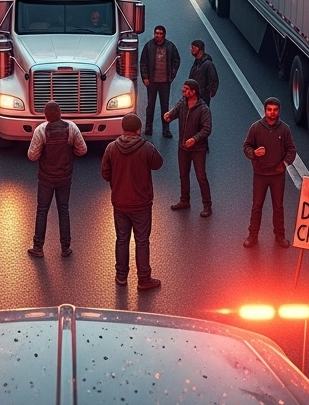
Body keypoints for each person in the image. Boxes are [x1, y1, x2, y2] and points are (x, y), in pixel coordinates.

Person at [101, 113, 164, 290]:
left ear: (123, 129)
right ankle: (144, 279)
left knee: (122, 239)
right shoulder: (147, 148)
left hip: (119, 202)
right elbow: (158, 164)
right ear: (138, 129)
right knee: (142, 241)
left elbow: (105, 173)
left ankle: (121, 276)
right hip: (141, 203)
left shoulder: (111, 148)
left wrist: (117, 183)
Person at [27, 100, 87, 258]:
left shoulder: (41, 130)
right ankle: (65, 248)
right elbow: (82, 149)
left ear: (45, 115)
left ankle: (38, 247)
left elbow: (32, 156)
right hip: (65, 177)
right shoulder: (71, 127)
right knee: (64, 210)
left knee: (42, 211)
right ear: (60, 113)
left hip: (45, 178)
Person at [242, 97, 297, 248]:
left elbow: (291, 150)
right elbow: (246, 146)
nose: (272, 113)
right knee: (257, 206)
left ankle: (280, 236)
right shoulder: (256, 128)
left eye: (275, 110)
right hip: (260, 174)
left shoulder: (284, 129)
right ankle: (252, 236)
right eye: (269, 110)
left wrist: (284, 163)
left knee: (278, 207)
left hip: (278, 176)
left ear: (279, 111)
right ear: (265, 110)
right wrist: (253, 153)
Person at [164, 79, 212, 217]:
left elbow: (207, 129)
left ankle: (207, 205)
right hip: (183, 147)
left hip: (198, 149)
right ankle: (184, 200)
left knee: (201, 176)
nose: (183, 91)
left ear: (193, 92)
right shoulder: (183, 104)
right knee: (183, 175)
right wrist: (168, 116)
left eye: (186, 89)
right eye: (183, 89)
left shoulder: (203, 109)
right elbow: (173, 114)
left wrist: (194, 139)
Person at [139, 25, 180, 137]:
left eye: (160, 33)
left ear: (164, 35)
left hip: (165, 82)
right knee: (150, 106)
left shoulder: (170, 46)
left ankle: (166, 130)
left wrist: (172, 75)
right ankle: (148, 128)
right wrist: (145, 77)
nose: (158, 35)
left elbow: (176, 60)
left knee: (165, 106)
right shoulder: (149, 46)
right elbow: (143, 63)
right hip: (152, 82)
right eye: (156, 33)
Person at [187, 40, 219, 106]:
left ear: (200, 50)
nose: (191, 50)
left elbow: (214, 80)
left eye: (193, 48)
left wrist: (207, 94)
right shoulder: (197, 62)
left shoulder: (208, 64)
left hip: (202, 98)